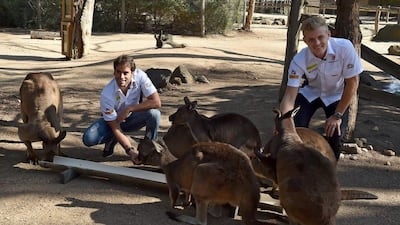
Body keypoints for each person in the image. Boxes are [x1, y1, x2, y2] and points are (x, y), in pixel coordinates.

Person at [280, 15, 363, 160]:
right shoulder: (299, 60)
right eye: (311, 39)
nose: (317, 43)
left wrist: (337, 116)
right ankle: (300, 167)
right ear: (305, 41)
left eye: (320, 37)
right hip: (311, 93)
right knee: (295, 128)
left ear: (328, 35)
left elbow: (352, 83)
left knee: (335, 136)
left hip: (336, 95)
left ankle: (330, 171)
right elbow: (289, 96)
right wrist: (283, 121)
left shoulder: (344, 48)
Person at [83, 54, 161, 164]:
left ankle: (149, 150)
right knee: (88, 138)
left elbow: (156, 102)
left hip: (133, 118)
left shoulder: (141, 76)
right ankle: (111, 139)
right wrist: (130, 151)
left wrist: (129, 109)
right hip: (114, 121)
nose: (122, 77)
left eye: (125, 73)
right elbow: (115, 127)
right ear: (114, 72)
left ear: (133, 73)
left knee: (154, 114)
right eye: (118, 72)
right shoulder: (107, 94)